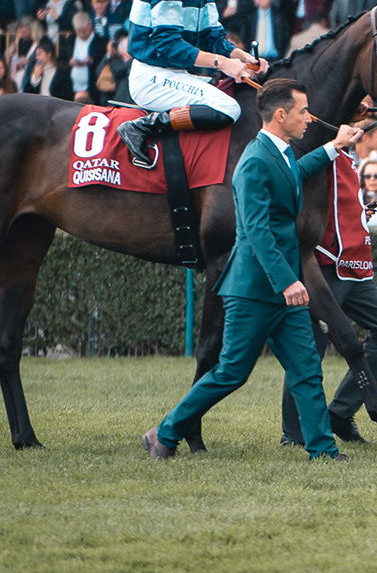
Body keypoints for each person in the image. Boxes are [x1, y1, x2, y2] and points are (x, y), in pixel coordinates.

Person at [146, 79, 355, 462]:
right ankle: (164, 432)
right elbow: (256, 232)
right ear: (280, 115)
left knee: (307, 368)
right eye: (302, 112)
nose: (309, 118)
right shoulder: (255, 161)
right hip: (255, 290)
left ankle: (323, 451)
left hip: (279, 289)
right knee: (231, 373)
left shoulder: (280, 152)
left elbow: (294, 173)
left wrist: (333, 147)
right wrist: (288, 280)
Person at [280, 104, 377, 450]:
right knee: (310, 349)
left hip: (357, 267)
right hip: (327, 266)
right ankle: (293, 432)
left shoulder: (351, 161)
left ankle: (340, 411)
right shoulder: (329, 155)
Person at [117, 0, 267, 166]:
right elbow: (168, 45)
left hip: (173, 73)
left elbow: (212, 36)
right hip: (151, 76)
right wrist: (223, 63)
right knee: (227, 107)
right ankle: (143, 127)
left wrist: (241, 56)